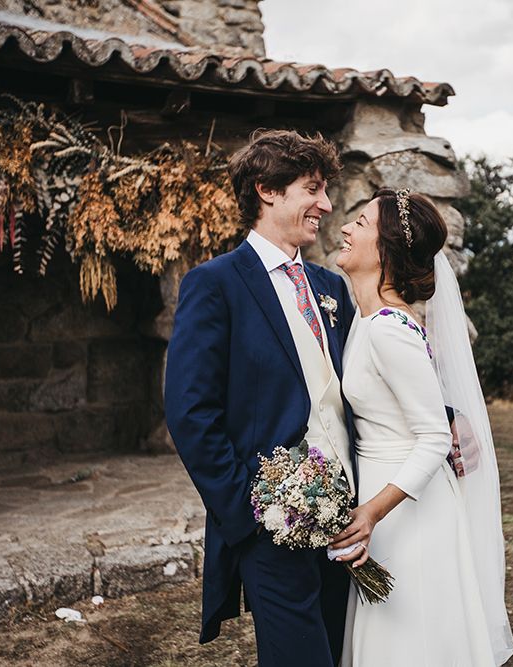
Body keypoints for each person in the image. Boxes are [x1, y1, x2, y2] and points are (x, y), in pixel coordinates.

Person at [164, 129, 356, 667]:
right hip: (270, 523)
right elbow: (190, 411)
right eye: (312, 189)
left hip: (348, 516)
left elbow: (368, 378)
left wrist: (446, 418)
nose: (326, 204)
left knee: (343, 653)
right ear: (268, 189)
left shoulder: (330, 287)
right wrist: (249, 512)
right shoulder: (215, 284)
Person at [330, 188, 513, 665]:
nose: (346, 228)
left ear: (386, 252)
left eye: (362, 223)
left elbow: (434, 436)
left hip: (405, 512)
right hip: (389, 501)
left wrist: (370, 511)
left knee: (411, 642)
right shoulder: (367, 321)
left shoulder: (390, 329)